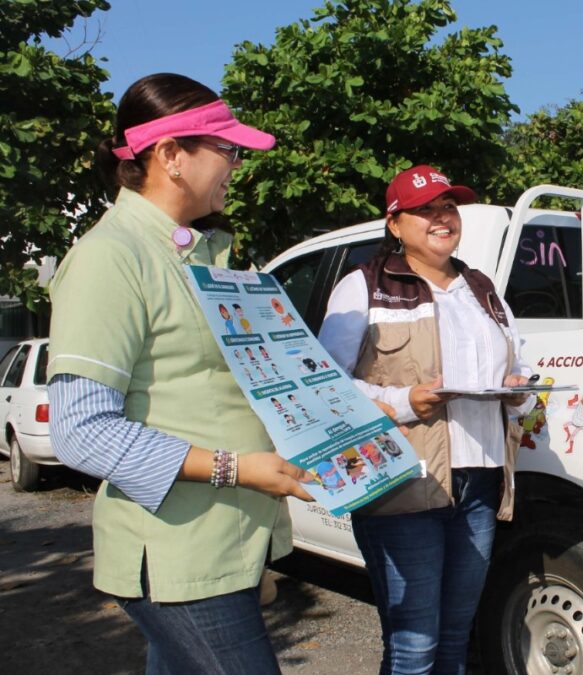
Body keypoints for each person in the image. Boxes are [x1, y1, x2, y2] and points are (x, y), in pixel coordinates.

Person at [47, 73, 315, 674]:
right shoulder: (110, 258)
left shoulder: (200, 254)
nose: (236, 164)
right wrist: (237, 468)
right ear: (170, 155)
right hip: (180, 557)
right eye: (227, 149)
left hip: (227, 543)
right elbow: (81, 431)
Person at [319, 164, 533, 674]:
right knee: (415, 648)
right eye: (424, 209)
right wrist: (401, 401)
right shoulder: (363, 285)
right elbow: (326, 387)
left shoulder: (482, 287)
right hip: (403, 485)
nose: (441, 217)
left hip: (478, 485)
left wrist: (520, 392)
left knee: (457, 637)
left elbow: (517, 365)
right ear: (394, 223)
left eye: (448, 207)